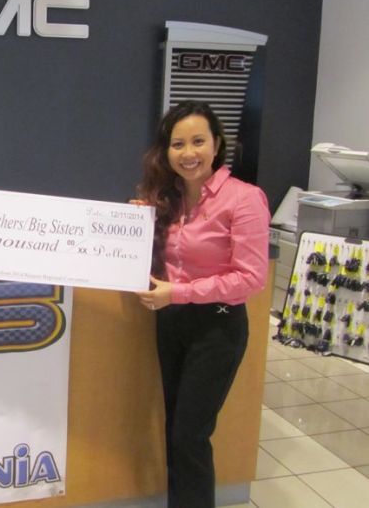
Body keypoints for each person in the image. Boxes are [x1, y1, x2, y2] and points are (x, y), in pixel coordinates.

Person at [134, 100, 270, 508]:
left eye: (198, 141)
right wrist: (136, 225)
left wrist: (177, 292)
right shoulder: (168, 199)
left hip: (217, 327)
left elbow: (250, 278)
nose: (188, 153)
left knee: (190, 435)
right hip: (172, 322)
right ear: (166, 150)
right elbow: (162, 259)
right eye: (177, 144)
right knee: (175, 430)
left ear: (217, 144)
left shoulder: (244, 199)